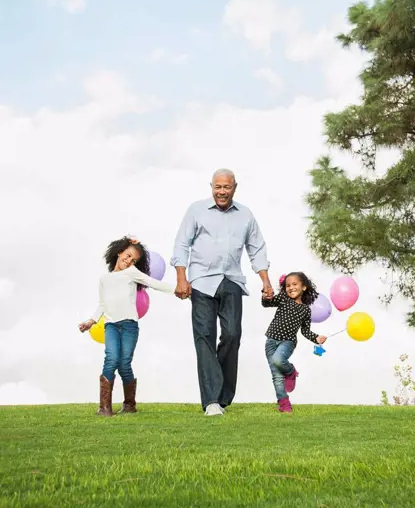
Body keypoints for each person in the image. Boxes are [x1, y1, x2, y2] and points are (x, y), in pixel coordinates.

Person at [171, 168, 274, 416]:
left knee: (232, 334)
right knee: (204, 336)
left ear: (234, 188)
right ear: (211, 187)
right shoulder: (196, 210)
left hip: (231, 280)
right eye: (218, 187)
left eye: (226, 187)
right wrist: (181, 278)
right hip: (202, 281)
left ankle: (224, 396)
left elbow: (256, 248)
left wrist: (266, 281)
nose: (222, 192)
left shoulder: (245, 215)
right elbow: (182, 244)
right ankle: (211, 401)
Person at [79, 236, 173, 417]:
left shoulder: (132, 273)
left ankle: (129, 404)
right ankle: (104, 407)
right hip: (111, 326)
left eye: (133, 260)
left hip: (129, 326)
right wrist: (91, 321)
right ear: (119, 251)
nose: (129, 261)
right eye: (128, 255)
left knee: (124, 364)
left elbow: (153, 283)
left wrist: (176, 289)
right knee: (111, 359)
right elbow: (102, 304)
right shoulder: (104, 279)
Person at [262, 272, 327, 412]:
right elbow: (268, 303)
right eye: (287, 285)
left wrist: (316, 338)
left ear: (304, 287)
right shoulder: (284, 298)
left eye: (294, 284)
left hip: (288, 342)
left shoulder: (305, 310)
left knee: (278, 360)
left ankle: (291, 372)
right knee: (276, 375)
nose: (291, 287)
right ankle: (284, 402)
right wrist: (265, 296)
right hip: (271, 340)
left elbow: (305, 331)